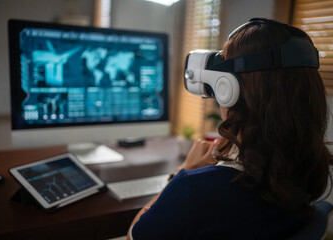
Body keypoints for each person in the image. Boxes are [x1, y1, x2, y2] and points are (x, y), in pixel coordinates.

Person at [127, 18, 333, 240]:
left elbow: (134, 235)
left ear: (229, 90)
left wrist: (183, 171)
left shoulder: (195, 190)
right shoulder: (307, 170)